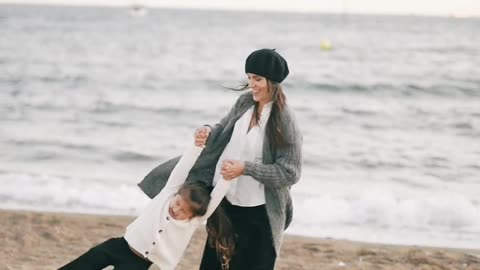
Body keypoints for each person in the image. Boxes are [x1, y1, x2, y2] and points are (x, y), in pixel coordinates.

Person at [138, 48, 303, 270]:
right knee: (212, 265)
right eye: (249, 77)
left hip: (259, 212)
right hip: (225, 203)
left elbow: (290, 172)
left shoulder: (284, 119)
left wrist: (245, 168)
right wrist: (206, 131)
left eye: (257, 79)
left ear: (272, 81)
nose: (251, 84)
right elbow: (223, 128)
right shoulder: (245, 103)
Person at [58, 141, 236, 270]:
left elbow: (216, 197)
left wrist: (227, 178)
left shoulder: (194, 221)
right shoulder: (168, 193)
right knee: (87, 261)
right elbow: (183, 167)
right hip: (120, 245)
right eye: (178, 203)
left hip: (138, 264)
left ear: (192, 216)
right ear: (177, 195)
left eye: (183, 211)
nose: (176, 209)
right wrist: (197, 146)